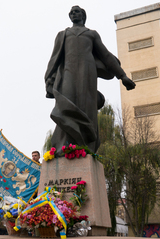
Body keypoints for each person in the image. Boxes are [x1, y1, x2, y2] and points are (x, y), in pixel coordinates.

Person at [45, 6, 135, 156]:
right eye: (72, 12)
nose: (74, 14)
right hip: (68, 73)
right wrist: (48, 79)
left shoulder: (91, 34)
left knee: (86, 107)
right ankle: (64, 147)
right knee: (65, 106)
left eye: (77, 12)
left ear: (83, 15)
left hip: (87, 74)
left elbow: (106, 56)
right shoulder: (63, 34)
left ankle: (85, 147)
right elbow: (54, 58)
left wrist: (122, 76)